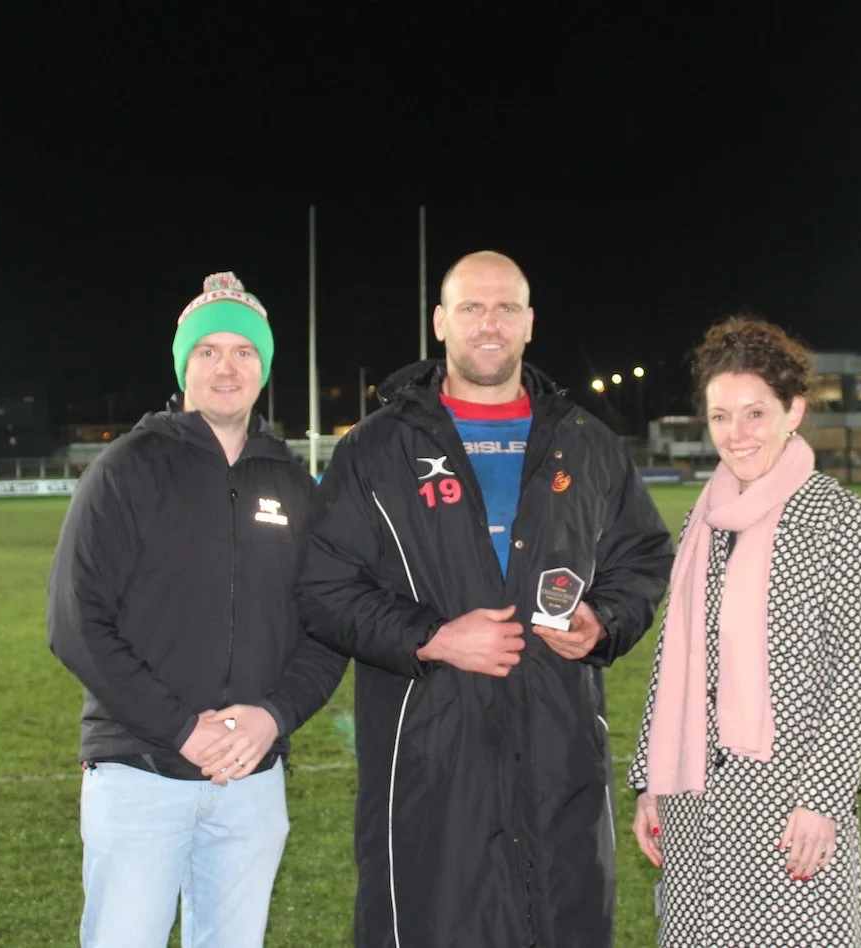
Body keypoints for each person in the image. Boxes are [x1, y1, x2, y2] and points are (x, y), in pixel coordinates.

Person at [296, 251, 674, 947]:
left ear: (530, 323)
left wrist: (604, 621)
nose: (489, 324)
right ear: (440, 322)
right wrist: (431, 636)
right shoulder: (377, 449)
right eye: (471, 308)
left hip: (561, 766)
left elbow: (645, 557)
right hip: (430, 770)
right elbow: (322, 588)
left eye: (505, 308)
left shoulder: (586, 444)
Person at [47, 272, 348, 948]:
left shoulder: (295, 486)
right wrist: (181, 728)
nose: (225, 367)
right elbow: (75, 621)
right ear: (184, 364)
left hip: (252, 779)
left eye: (243, 351)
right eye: (207, 350)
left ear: (264, 368)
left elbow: (329, 625)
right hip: (141, 773)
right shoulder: (126, 469)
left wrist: (272, 718)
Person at [629, 316, 861, 947]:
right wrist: (651, 784)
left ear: (792, 411)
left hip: (788, 808)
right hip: (694, 804)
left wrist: (823, 800)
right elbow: (674, 660)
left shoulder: (840, 520)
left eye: (754, 413)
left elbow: (854, 675)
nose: (736, 434)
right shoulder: (704, 517)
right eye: (721, 417)